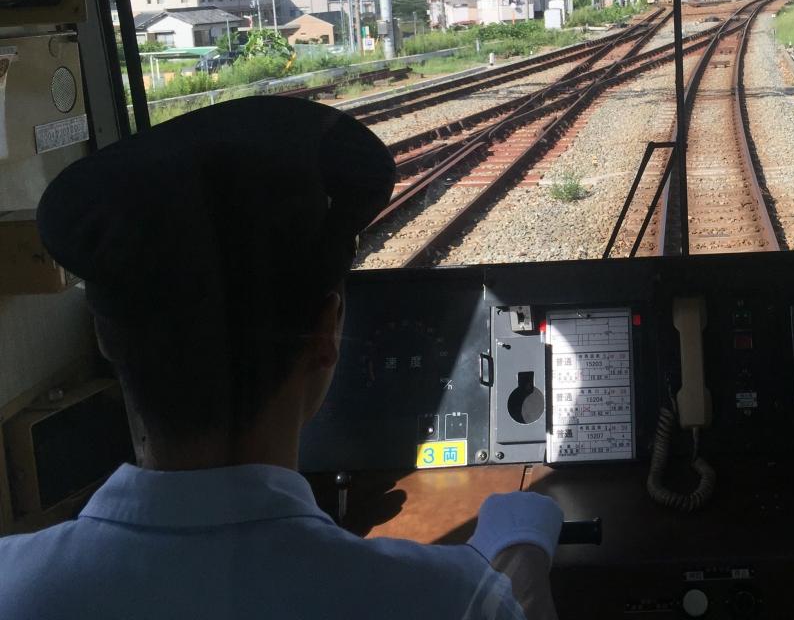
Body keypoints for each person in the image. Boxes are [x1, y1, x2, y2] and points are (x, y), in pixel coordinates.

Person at [0, 96, 562, 620]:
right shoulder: (450, 599)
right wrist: (519, 553)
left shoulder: (12, 585)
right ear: (326, 334)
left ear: (106, 338)